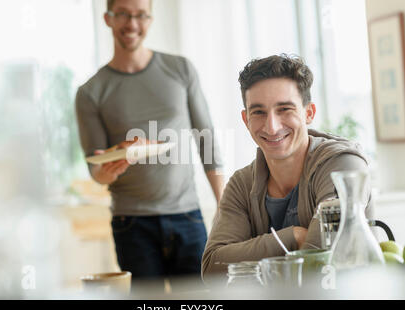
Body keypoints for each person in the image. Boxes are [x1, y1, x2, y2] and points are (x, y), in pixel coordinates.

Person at [75, 0, 224, 291]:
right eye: (123, 15)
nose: (132, 24)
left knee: (200, 302)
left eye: (141, 15)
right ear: (108, 19)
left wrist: (224, 205)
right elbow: (97, 172)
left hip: (188, 217)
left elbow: (205, 137)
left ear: (150, 19)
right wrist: (113, 166)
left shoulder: (180, 69)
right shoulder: (90, 92)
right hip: (132, 225)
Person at [201, 54, 373, 282]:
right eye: (259, 112)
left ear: (308, 113)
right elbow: (213, 267)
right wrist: (292, 237)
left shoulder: (343, 165)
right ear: (246, 120)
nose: (272, 127)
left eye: (285, 109)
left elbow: (320, 259)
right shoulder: (241, 184)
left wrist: (266, 250)